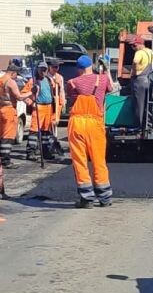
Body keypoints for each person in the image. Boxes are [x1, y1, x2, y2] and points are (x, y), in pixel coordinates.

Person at [66, 55, 114, 208]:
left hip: (77, 123)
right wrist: (106, 70)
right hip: (95, 123)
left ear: (78, 69)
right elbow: (111, 88)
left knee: (79, 160)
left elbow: (72, 99)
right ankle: (105, 197)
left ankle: (86, 198)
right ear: (91, 66)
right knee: (99, 160)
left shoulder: (72, 82)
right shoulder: (103, 79)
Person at [0, 62, 33, 169]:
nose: (16, 77)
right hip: (9, 110)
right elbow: (19, 97)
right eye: (16, 74)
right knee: (8, 137)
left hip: (0, 110)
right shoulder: (10, 82)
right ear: (12, 73)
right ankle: (5, 161)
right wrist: (31, 92)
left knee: (2, 136)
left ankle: (2, 158)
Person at [26, 62, 56, 161]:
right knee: (34, 131)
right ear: (38, 69)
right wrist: (31, 102)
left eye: (45, 69)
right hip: (38, 107)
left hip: (48, 108)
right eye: (41, 69)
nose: (43, 71)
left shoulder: (49, 80)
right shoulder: (33, 81)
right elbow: (24, 94)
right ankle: (31, 152)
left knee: (46, 132)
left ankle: (45, 152)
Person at [129, 35, 153, 130]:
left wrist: (133, 72)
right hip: (149, 81)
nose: (133, 48)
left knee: (139, 104)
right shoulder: (150, 52)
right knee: (148, 103)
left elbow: (135, 61)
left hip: (139, 81)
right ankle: (148, 125)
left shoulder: (139, 52)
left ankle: (138, 126)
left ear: (139, 44)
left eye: (134, 45)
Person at [48, 59, 66, 138]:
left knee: (55, 121)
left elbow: (62, 90)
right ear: (50, 67)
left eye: (57, 67)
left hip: (57, 102)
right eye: (54, 67)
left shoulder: (60, 77)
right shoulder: (46, 77)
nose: (56, 69)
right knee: (48, 121)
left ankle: (55, 137)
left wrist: (63, 103)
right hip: (48, 102)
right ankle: (49, 136)